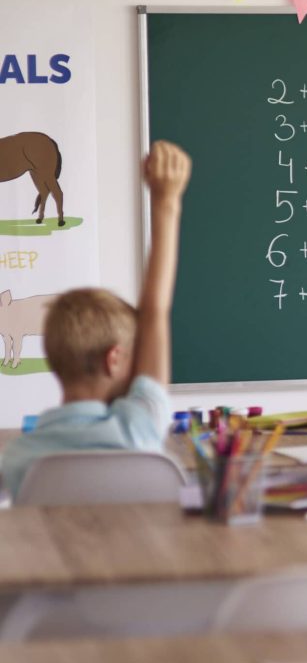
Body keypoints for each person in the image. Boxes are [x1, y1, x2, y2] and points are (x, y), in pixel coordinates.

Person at [1, 142, 191, 496]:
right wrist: (166, 201)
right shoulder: (139, 427)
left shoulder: (17, 459)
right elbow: (155, 312)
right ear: (114, 358)